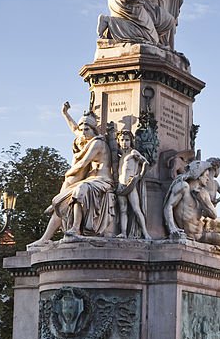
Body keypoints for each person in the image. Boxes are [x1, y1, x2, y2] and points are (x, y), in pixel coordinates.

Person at [34, 103, 117, 244]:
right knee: (63, 202)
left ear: (93, 129)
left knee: (79, 189)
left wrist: (67, 174)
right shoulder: (87, 137)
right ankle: (44, 238)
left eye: (86, 130)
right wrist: (65, 114)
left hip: (102, 180)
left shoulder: (97, 143)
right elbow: (74, 129)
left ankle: (75, 228)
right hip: (90, 180)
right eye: (82, 129)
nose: (83, 132)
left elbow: (82, 163)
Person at [116, 130, 151, 239]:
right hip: (120, 185)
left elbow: (146, 162)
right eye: (122, 140)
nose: (124, 142)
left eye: (127, 140)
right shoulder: (121, 155)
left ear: (131, 141)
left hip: (130, 185)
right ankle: (123, 232)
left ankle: (145, 233)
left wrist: (139, 176)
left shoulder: (133, 153)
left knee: (136, 209)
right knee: (123, 210)